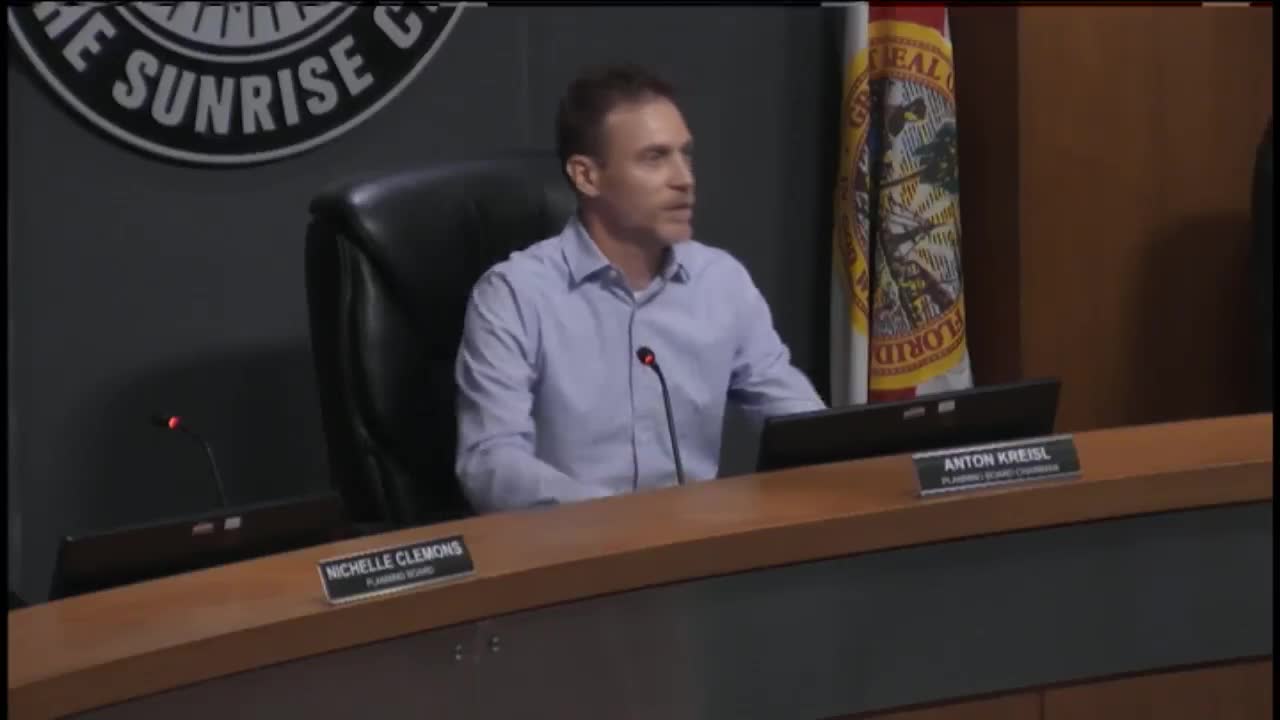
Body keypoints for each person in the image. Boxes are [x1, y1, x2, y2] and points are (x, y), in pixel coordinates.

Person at [454, 65, 826, 513]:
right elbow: (490, 462)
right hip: (571, 543)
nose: (684, 178)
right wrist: (621, 519)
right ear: (586, 176)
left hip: (698, 543)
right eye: (654, 158)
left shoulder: (720, 281)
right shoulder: (515, 295)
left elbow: (800, 422)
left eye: (685, 155)